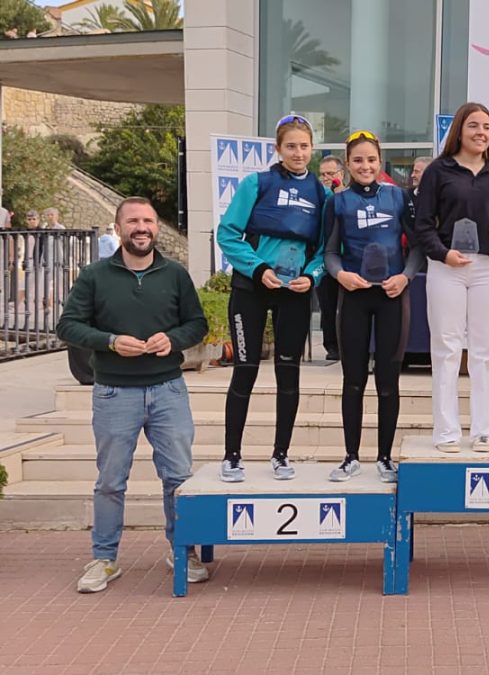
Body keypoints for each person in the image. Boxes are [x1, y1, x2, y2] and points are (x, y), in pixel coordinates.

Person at [56, 197, 209, 593]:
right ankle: (104, 558)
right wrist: (109, 341)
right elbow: (68, 326)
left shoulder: (175, 274)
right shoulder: (94, 276)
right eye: (133, 221)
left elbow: (196, 324)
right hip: (114, 392)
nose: (142, 228)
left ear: (156, 227)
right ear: (119, 227)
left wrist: (172, 339)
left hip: (168, 389)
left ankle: (182, 551)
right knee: (110, 480)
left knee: (178, 477)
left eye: (148, 221)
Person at [216, 114, 329, 482]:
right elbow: (227, 234)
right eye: (291, 146)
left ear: (312, 149)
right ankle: (232, 456)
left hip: (293, 293)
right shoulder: (256, 183)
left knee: (288, 373)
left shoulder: (322, 194)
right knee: (245, 370)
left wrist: (311, 276)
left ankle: (281, 455)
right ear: (279, 149)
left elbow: (325, 249)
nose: (298, 153)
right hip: (251, 289)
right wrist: (257, 268)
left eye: (304, 146)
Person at [323, 130, 423, 482]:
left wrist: (405, 277)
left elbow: (417, 247)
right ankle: (351, 456)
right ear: (347, 164)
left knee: (388, 381)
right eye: (358, 160)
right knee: (353, 379)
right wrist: (341, 275)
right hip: (354, 296)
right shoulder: (338, 202)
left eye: (371, 159)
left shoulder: (398, 197)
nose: (365, 166)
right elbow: (330, 252)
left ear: (380, 162)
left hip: (391, 297)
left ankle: (384, 458)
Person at [413, 102, 489, 453]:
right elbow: (422, 225)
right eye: (473, 126)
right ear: (459, 130)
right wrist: (443, 254)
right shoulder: (438, 171)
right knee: (447, 348)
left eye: (486, 127)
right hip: (447, 267)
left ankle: (483, 430)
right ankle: (447, 432)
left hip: (488, 268)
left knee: (487, 350)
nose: (481, 133)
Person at [317, 154, 347, 361]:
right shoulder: (319, 197)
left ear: (341, 174)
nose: (326, 178)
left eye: (330, 173)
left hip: (347, 259)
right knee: (327, 305)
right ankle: (331, 346)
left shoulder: (348, 196)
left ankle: (347, 343)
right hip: (323, 259)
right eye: (322, 174)